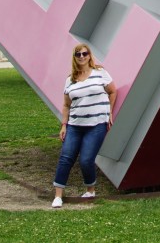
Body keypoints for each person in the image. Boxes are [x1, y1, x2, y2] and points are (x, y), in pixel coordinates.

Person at [51, 43, 117, 208]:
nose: (81, 57)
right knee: (65, 158)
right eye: (78, 54)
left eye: (84, 53)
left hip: (96, 125)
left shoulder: (100, 73)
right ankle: (58, 196)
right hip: (75, 125)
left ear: (89, 55)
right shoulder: (70, 79)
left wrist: (109, 112)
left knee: (87, 160)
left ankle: (90, 190)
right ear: (74, 58)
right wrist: (64, 125)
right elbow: (66, 105)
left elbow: (112, 91)